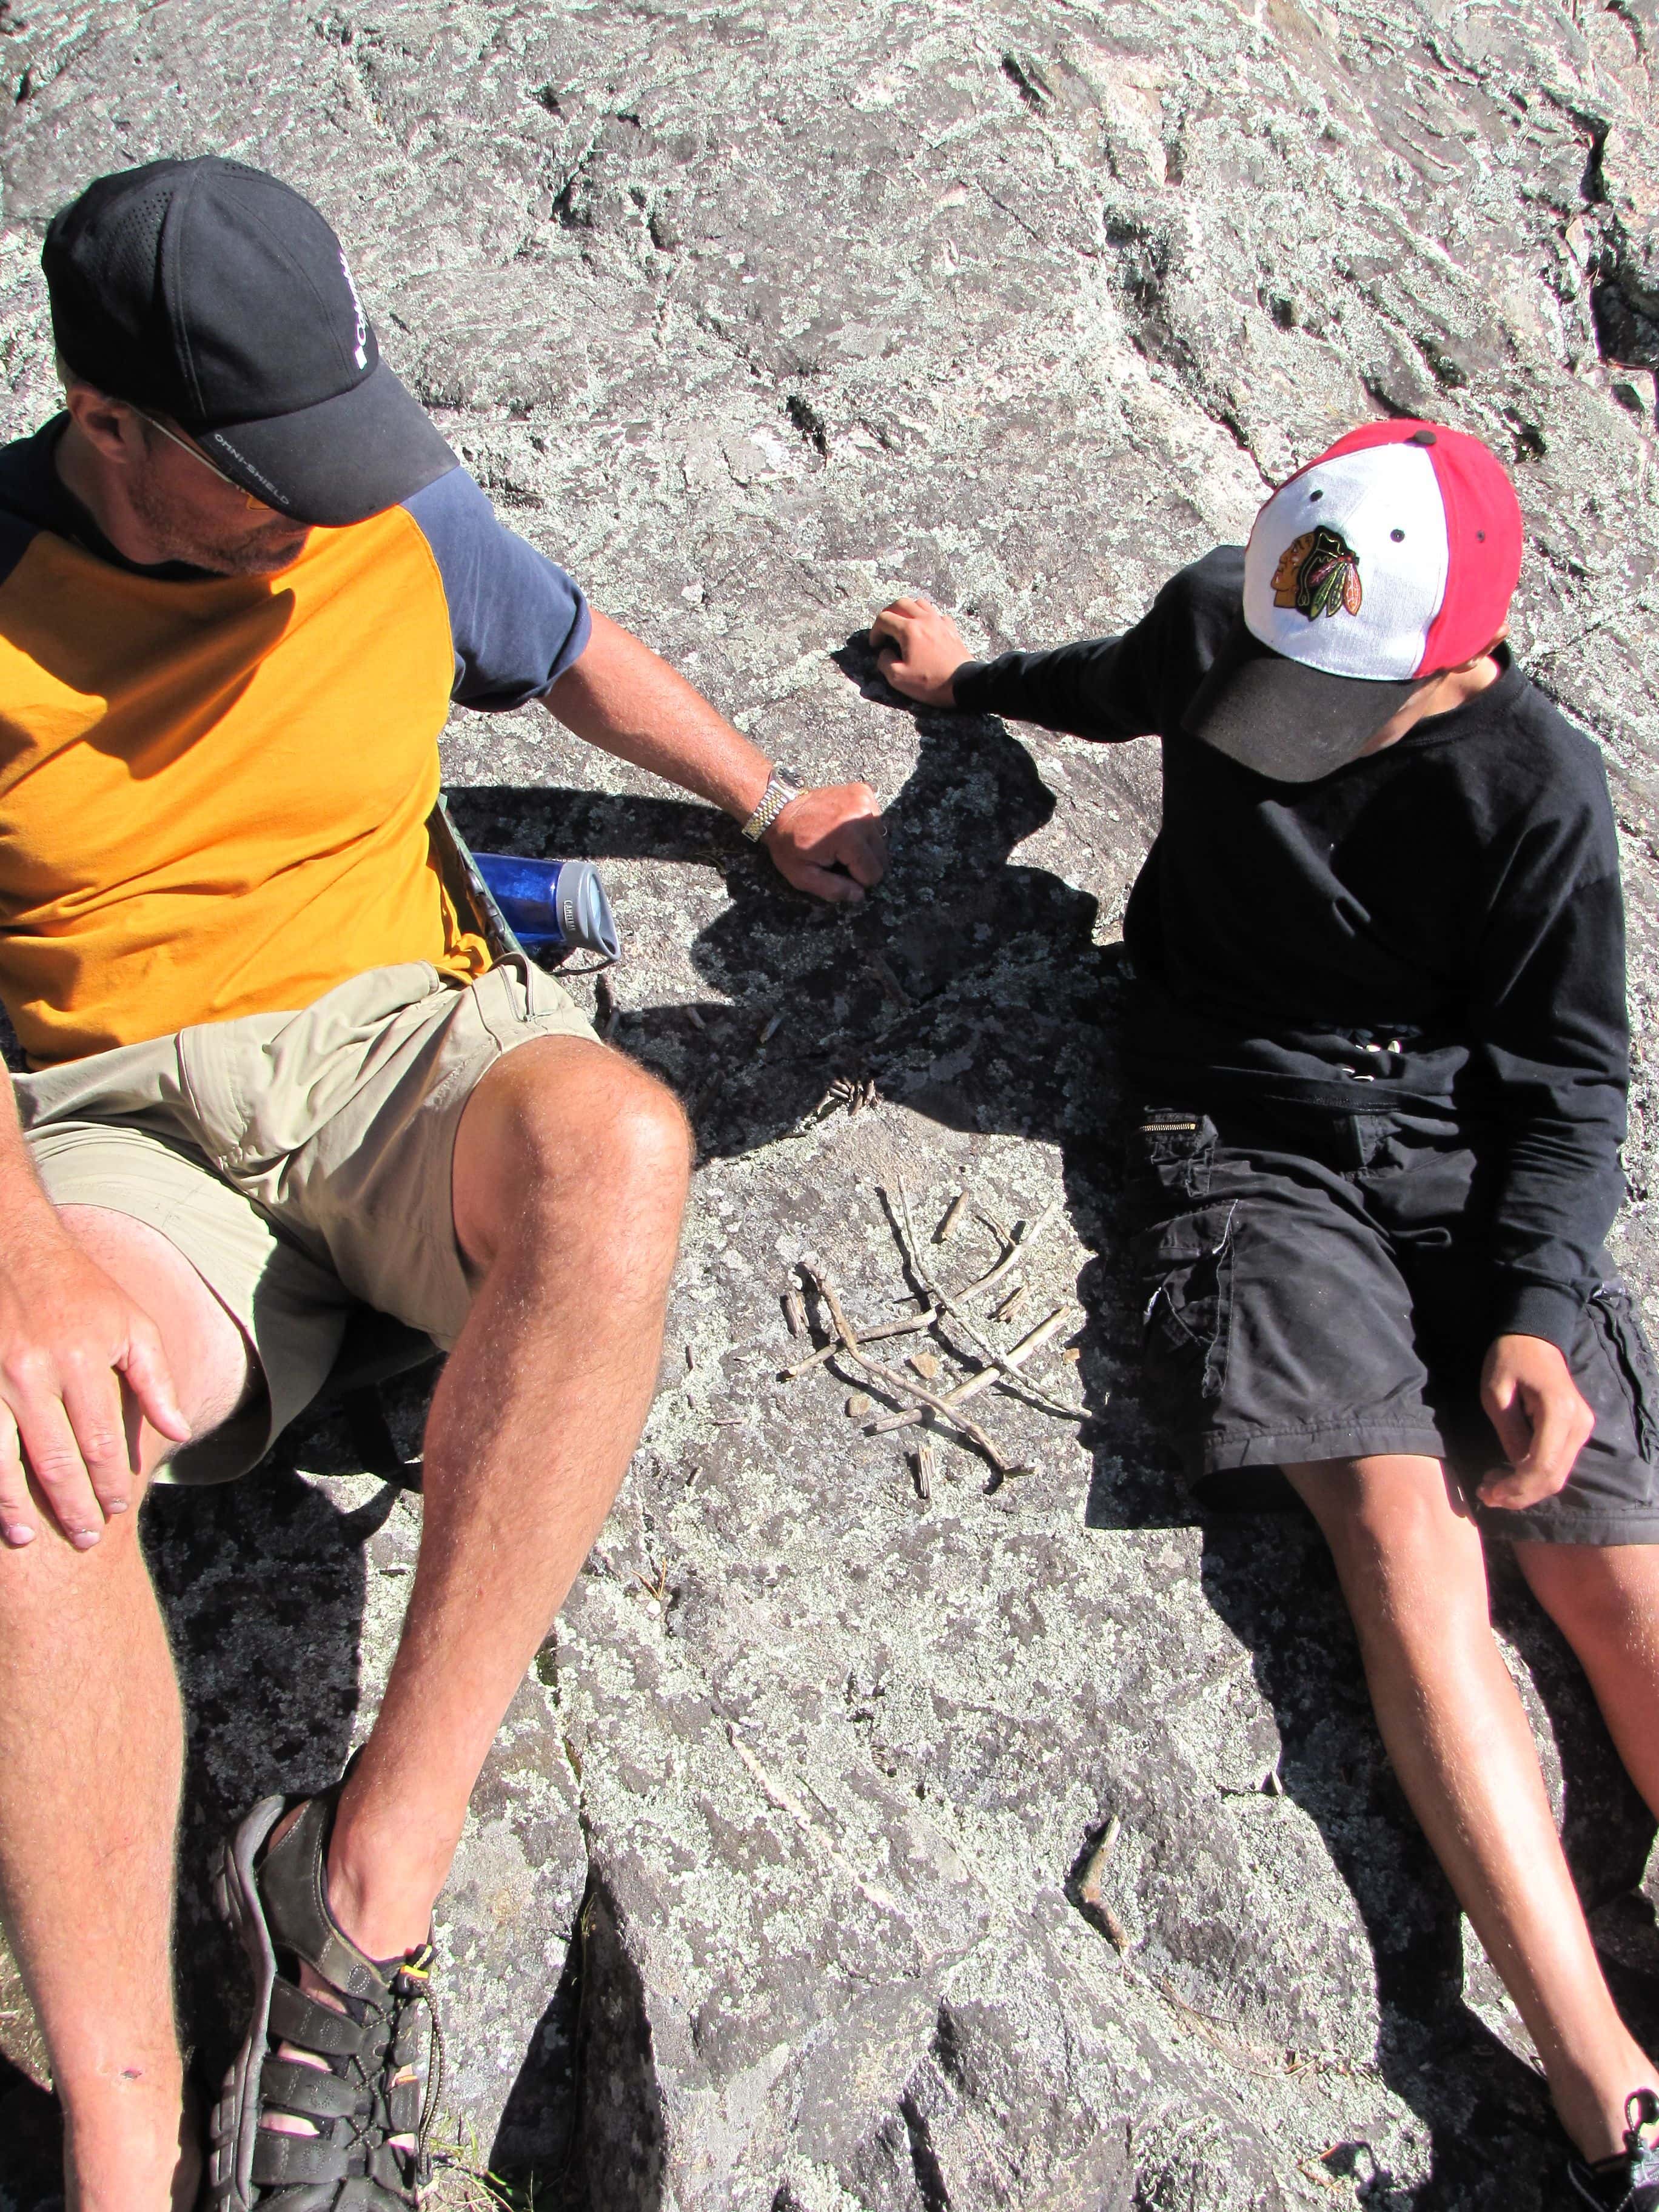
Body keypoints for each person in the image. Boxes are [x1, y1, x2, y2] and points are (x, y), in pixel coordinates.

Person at [0, 156, 886, 2212]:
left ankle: (360, 1895)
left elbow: (565, 644)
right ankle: (126, 2138)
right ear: (108, 424)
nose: (328, 503)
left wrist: (763, 796)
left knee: (619, 1148)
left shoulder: (370, 501)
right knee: (31, 1457)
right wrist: (21, 1253)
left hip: (392, 1039)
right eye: (270, 470)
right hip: (115, 1118)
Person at [873, 418, 1659, 2209]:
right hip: (1238, 1129)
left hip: (1461, 1156)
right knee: (1405, 1529)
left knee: (1616, 1575)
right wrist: (963, 689)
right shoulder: (1235, 626)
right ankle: (1604, 2088)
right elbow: (1109, 687)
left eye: (1340, 702)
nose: (1282, 723)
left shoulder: (1535, 785)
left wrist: (1537, 1310)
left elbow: (1569, 1077)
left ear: (1457, 658)